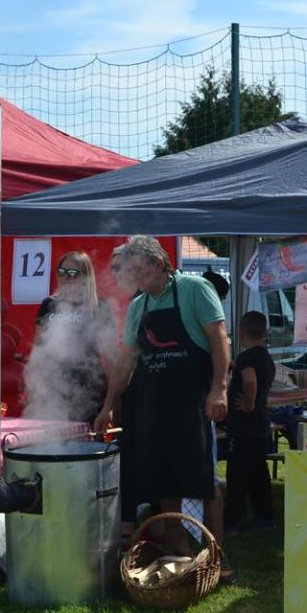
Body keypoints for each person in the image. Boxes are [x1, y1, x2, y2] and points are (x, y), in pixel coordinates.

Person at [94, 235, 230, 556]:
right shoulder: (138, 307)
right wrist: (108, 405)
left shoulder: (195, 289)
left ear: (157, 264)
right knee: (165, 483)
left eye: (136, 271)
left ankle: (217, 556)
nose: (132, 278)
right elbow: (126, 361)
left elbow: (219, 340)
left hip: (194, 404)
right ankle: (181, 554)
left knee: (205, 482)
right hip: (155, 406)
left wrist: (219, 389)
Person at [25, 251, 115, 425]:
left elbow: (111, 360)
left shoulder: (99, 307)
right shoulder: (48, 305)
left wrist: (109, 407)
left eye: (72, 273)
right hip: (53, 392)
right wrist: (35, 392)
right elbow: (38, 351)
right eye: (62, 272)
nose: (66, 277)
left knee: (84, 441)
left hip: (89, 393)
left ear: (86, 276)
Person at [224, 310, 276, 533]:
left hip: (245, 426)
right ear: (264, 332)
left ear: (241, 332)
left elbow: (250, 380)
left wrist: (248, 403)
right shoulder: (265, 357)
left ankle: (232, 520)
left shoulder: (247, 358)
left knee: (237, 474)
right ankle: (265, 516)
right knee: (258, 473)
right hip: (260, 425)